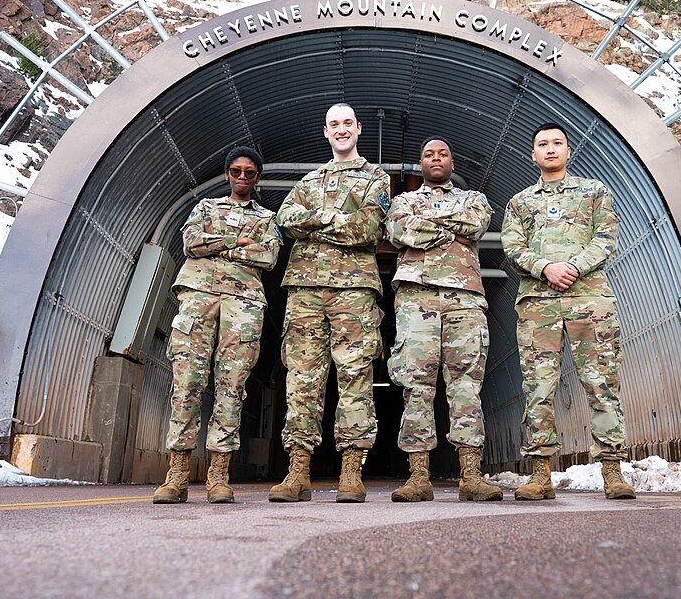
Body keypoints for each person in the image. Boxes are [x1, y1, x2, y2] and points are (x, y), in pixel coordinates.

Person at [499, 122, 636, 501]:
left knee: (601, 383)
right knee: (538, 387)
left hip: (589, 300)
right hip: (538, 306)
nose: (550, 149)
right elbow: (512, 246)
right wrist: (545, 268)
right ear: (533, 154)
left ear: (568, 150)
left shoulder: (594, 192)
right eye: (542, 144)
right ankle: (540, 474)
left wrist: (573, 266)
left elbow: (606, 237)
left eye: (557, 143)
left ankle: (613, 471)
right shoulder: (520, 202)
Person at [269, 103, 391, 503]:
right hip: (304, 290)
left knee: (354, 377)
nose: (341, 130)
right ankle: (298, 470)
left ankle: (351, 471)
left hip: (354, 291)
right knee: (301, 379)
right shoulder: (308, 180)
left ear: (358, 128)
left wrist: (316, 221)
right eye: (334, 125)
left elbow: (368, 228)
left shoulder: (377, 178)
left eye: (347, 124)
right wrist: (338, 218)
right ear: (325, 132)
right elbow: (285, 220)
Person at [154, 146, 281, 504]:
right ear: (227, 174)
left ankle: (219, 475)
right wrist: (237, 242)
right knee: (187, 384)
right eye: (236, 171)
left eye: (250, 173)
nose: (242, 178)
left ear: (258, 178)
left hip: (244, 305)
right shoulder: (205, 207)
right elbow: (191, 243)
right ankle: (176, 475)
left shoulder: (268, 219)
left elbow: (268, 255)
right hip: (198, 298)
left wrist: (217, 246)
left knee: (232, 387)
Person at [386, 137, 502, 502]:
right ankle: (418, 477)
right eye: (428, 155)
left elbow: (476, 224)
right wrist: (449, 229)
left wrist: (429, 226)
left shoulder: (474, 198)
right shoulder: (403, 201)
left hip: (464, 298)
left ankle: (471, 474)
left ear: (453, 162)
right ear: (419, 164)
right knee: (416, 384)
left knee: (466, 385)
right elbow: (399, 230)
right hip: (415, 297)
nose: (436, 159)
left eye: (443, 154)